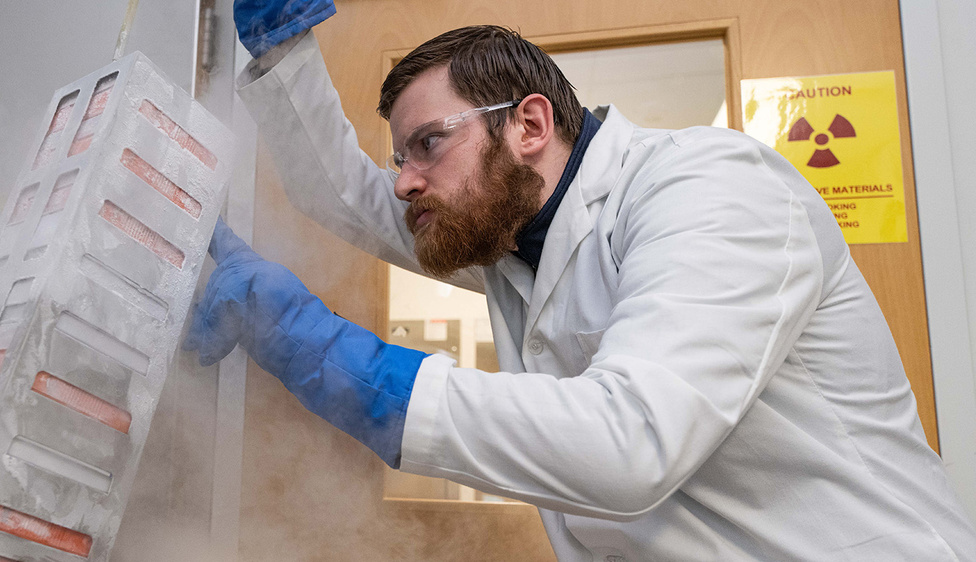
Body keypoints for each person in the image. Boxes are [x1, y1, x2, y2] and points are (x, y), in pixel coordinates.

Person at [184, 2, 976, 560]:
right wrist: (282, 46)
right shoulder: (512, 244)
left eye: (427, 144)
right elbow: (350, 200)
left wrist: (336, 359)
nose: (404, 182)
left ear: (528, 124)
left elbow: (628, 441)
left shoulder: (711, 187)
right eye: (402, 157)